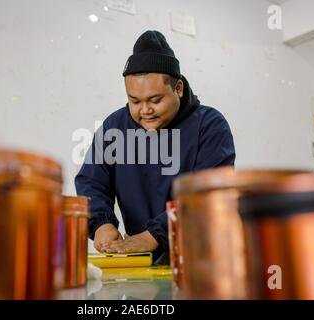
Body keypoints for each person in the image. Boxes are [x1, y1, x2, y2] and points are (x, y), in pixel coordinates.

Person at [75, 30, 235, 262]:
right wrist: (101, 224)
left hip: (201, 256)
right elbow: (91, 181)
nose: (145, 111)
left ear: (178, 88)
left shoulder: (209, 125)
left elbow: (209, 195)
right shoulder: (115, 126)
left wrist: (154, 235)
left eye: (155, 100)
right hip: (139, 259)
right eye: (134, 101)